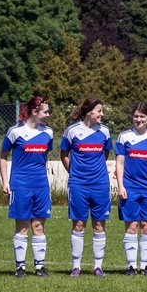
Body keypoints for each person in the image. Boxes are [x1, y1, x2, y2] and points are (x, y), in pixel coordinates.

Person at [0, 95, 54, 278]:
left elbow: (45, 157)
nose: (48, 115)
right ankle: (20, 267)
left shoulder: (48, 133)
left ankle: (39, 267)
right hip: (20, 185)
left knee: (38, 226)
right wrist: (6, 181)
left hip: (40, 185)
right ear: (34, 111)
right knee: (22, 226)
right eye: (45, 111)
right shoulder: (15, 132)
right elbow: (2, 156)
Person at [60, 97, 113, 277]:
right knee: (79, 224)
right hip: (78, 185)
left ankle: (98, 266)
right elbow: (64, 154)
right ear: (89, 111)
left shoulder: (105, 131)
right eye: (99, 110)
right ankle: (76, 266)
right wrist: (74, 173)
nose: (102, 114)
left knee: (99, 225)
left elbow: (105, 153)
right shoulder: (72, 131)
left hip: (100, 184)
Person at [114, 102, 147, 276]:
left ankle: (145, 265)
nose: (138, 120)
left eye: (142, 117)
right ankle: (130, 266)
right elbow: (120, 162)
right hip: (129, 188)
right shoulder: (124, 137)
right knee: (131, 226)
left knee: (146, 227)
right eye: (136, 116)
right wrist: (120, 186)